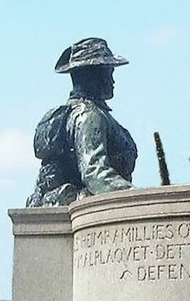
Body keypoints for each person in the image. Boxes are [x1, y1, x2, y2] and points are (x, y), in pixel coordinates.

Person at [26, 37, 137, 206]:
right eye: (110, 73)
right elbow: (94, 172)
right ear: (95, 75)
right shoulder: (89, 115)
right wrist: (137, 196)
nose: (113, 81)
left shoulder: (86, 112)